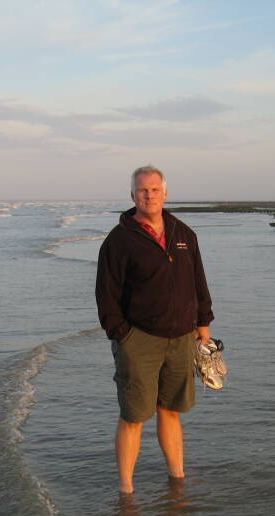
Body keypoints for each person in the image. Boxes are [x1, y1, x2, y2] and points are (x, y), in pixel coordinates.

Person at [95, 165, 214, 494]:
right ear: (132, 195)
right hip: (139, 340)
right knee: (133, 416)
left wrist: (203, 322)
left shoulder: (183, 234)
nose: (149, 195)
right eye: (143, 190)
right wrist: (123, 335)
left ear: (166, 193)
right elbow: (106, 295)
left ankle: (177, 479)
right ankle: (126, 490)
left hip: (181, 338)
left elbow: (198, 281)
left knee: (171, 411)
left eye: (155, 189)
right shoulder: (119, 240)